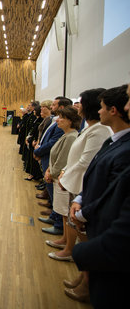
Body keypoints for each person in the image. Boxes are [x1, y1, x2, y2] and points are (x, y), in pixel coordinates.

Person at [68, 85, 130, 304]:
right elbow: (94, 172)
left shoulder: (124, 147)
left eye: (102, 107)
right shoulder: (113, 140)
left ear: (113, 110)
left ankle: (87, 284)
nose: (99, 111)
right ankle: (85, 282)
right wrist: (79, 199)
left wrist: (84, 212)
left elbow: (111, 193)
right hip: (89, 207)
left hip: (102, 219)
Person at [45, 89, 111, 261]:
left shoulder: (100, 130)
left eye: (80, 103)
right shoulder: (91, 128)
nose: (78, 106)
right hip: (71, 179)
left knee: (74, 219)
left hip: (78, 182)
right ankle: (66, 242)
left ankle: (70, 250)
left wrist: (64, 175)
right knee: (68, 216)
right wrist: (65, 173)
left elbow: (85, 161)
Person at [42, 106, 81, 261]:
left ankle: (68, 244)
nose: (57, 120)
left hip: (62, 179)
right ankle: (64, 239)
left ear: (70, 121)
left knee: (65, 212)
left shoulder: (71, 137)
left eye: (61, 118)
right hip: (57, 175)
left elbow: (63, 159)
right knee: (63, 212)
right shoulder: (67, 135)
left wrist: (51, 171)